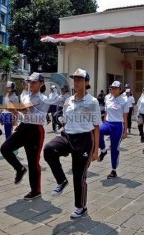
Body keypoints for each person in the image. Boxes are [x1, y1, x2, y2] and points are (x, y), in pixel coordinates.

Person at [43, 68, 102, 219]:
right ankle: (61, 180)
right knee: (49, 149)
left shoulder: (92, 101)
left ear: (86, 82)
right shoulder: (68, 100)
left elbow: (96, 127)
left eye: (79, 79)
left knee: (79, 175)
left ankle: (80, 207)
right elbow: (66, 118)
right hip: (67, 135)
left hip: (84, 140)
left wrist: (95, 151)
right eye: (74, 79)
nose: (76, 82)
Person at [0, 72, 49, 200]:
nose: (30, 84)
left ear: (41, 84)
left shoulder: (44, 99)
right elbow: (22, 114)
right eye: (29, 82)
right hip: (24, 127)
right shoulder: (25, 96)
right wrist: (15, 111)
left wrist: (26, 113)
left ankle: (35, 190)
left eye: (33, 82)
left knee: (33, 162)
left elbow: (42, 119)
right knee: (5, 148)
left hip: (35, 130)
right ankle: (19, 168)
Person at [98, 81, 129, 179]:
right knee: (97, 131)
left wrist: (125, 131)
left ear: (120, 90)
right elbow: (106, 112)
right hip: (108, 123)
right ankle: (103, 151)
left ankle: (113, 170)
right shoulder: (107, 97)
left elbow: (125, 117)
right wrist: (103, 123)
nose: (113, 90)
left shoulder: (124, 100)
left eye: (115, 88)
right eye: (111, 88)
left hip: (118, 126)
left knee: (114, 149)